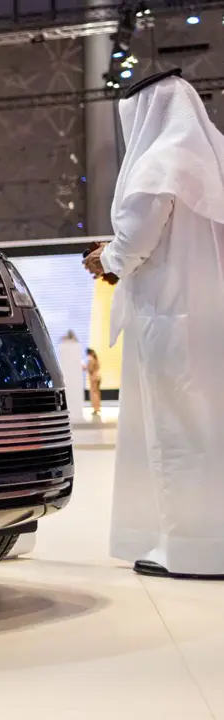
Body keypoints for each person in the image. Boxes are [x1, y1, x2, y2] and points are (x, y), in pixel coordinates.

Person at [82, 68, 224, 579]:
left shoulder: (159, 163)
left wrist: (105, 257)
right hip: (212, 321)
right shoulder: (213, 158)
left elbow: (136, 240)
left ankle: (191, 548)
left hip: (171, 320)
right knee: (212, 427)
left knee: (177, 430)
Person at [85, 348, 102, 418]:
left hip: (93, 378)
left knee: (94, 393)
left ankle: (95, 409)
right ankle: (98, 408)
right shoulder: (96, 358)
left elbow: (90, 369)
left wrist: (86, 367)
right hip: (98, 377)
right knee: (97, 393)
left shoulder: (91, 359)